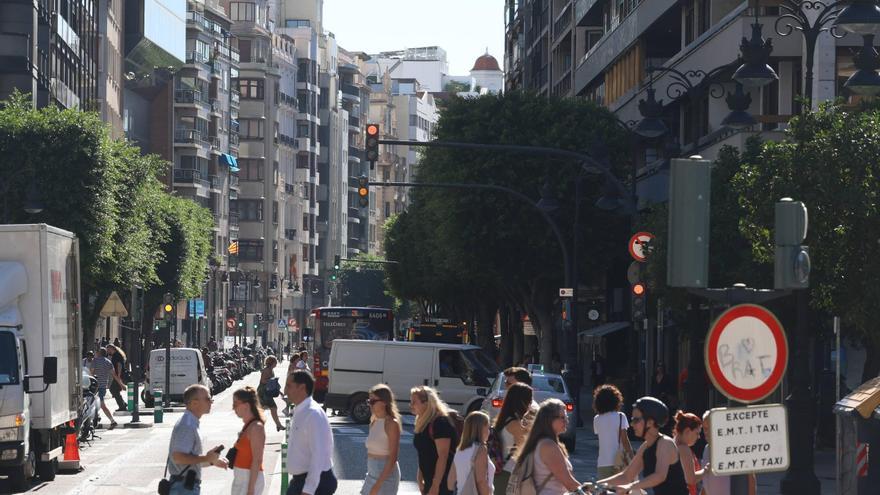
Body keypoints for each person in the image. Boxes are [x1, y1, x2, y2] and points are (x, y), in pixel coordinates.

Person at [599, 396, 688, 495]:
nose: (632, 424)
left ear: (650, 422)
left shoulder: (665, 443)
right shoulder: (646, 446)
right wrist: (598, 485)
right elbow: (627, 476)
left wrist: (630, 486)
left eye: (636, 420)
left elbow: (659, 476)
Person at [165, 384, 227, 494]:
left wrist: (212, 461)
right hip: (183, 488)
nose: (211, 402)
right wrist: (206, 457)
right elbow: (178, 457)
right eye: (208, 399)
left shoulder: (191, 422)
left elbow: (190, 460)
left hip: (186, 486)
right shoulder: (187, 425)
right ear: (194, 403)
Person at [511, 398, 582, 494]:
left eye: (566, 417)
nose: (566, 421)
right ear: (549, 419)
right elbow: (569, 483)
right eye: (562, 418)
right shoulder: (548, 445)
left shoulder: (541, 442)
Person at [285, 370, 336, 495]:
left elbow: (318, 454)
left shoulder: (313, 414)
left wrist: (308, 489)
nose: (285, 391)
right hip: (302, 481)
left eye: (289, 386)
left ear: (302, 388)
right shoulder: (301, 410)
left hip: (315, 483)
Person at [411, 386, 456, 495]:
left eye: (414, 402)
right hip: (429, 480)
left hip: (443, 483)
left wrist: (435, 485)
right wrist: (420, 477)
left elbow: (443, 456)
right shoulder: (423, 422)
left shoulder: (440, 422)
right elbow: (423, 453)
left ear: (426, 403)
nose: (410, 405)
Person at [700, 412, 756, 495]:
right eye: (705, 428)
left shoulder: (735, 448)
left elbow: (750, 479)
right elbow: (707, 483)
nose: (706, 432)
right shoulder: (707, 449)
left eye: (710, 427)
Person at [492, 382, 533, 493]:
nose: (530, 403)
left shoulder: (505, 419)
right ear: (522, 401)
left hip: (501, 471)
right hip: (508, 473)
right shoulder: (515, 424)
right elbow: (526, 451)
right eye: (529, 400)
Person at [361, 384, 401, 495]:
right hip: (372, 472)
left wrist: (378, 484)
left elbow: (393, 458)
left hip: (385, 475)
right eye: (369, 401)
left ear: (384, 402)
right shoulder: (373, 420)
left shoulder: (392, 423)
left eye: (373, 401)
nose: (370, 404)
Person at [447, 411, 494, 494]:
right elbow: (481, 481)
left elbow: (450, 483)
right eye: (488, 427)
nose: (489, 431)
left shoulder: (460, 450)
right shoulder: (481, 449)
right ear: (480, 429)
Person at [231, 387, 266, 495]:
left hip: (249, 479)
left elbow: (257, 460)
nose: (233, 408)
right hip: (241, 478)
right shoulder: (248, 426)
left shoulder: (256, 427)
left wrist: (251, 490)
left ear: (246, 405)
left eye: (235, 404)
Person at [593, 384, 633, 479]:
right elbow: (625, 440)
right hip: (618, 462)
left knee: (605, 491)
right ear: (616, 400)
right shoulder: (620, 416)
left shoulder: (596, 419)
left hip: (602, 463)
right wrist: (632, 458)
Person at [90, 348, 125, 428]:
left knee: (100, 404)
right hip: (103, 387)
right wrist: (121, 384)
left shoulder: (95, 361)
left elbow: (91, 373)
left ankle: (112, 421)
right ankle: (96, 420)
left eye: (96, 352)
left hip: (95, 387)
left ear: (99, 353)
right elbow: (114, 375)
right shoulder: (108, 362)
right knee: (97, 404)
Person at [672, 411, 704, 495]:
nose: (698, 437)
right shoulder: (683, 449)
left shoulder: (672, 444)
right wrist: (707, 470)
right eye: (697, 433)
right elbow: (691, 479)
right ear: (687, 431)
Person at [257, 356, 284, 431]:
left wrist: (279, 391)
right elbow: (263, 381)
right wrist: (271, 381)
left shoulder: (271, 370)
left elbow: (272, 383)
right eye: (275, 362)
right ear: (272, 363)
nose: (276, 363)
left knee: (267, 408)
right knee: (272, 408)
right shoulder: (266, 370)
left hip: (267, 392)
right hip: (263, 392)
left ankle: (256, 426)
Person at [106, 344, 128, 412]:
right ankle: (123, 404)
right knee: (115, 390)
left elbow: (119, 365)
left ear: (112, 349)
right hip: (119, 375)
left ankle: (122, 406)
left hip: (119, 375)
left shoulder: (116, 355)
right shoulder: (116, 355)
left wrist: (118, 376)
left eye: (108, 350)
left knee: (113, 390)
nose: (107, 351)